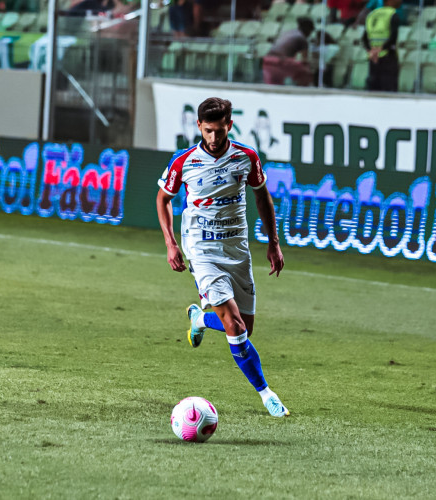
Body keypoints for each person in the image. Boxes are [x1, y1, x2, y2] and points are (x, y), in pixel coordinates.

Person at [155, 97, 289, 418]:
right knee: (234, 324)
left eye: (219, 130)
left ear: (229, 124)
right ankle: (266, 394)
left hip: (237, 249)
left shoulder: (246, 158)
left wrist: (273, 242)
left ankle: (199, 319)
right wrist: (171, 244)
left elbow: (263, 198)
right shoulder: (183, 161)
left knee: (246, 329)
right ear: (199, 127)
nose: (213, 138)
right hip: (201, 249)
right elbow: (162, 200)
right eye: (207, 131)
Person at [262, 16, 314, 86]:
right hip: (280, 62)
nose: (310, 34)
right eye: (311, 31)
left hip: (268, 60)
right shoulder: (302, 39)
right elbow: (304, 60)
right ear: (308, 29)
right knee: (306, 72)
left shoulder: (289, 33)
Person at [362, 0, 402, 92]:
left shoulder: (372, 15)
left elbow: (364, 38)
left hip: (373, 58)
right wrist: (381, 49)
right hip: (388, 57)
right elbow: (393, 38)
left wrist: (371, 51)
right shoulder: (392, 14)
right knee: (389, 90)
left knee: (374, 89)